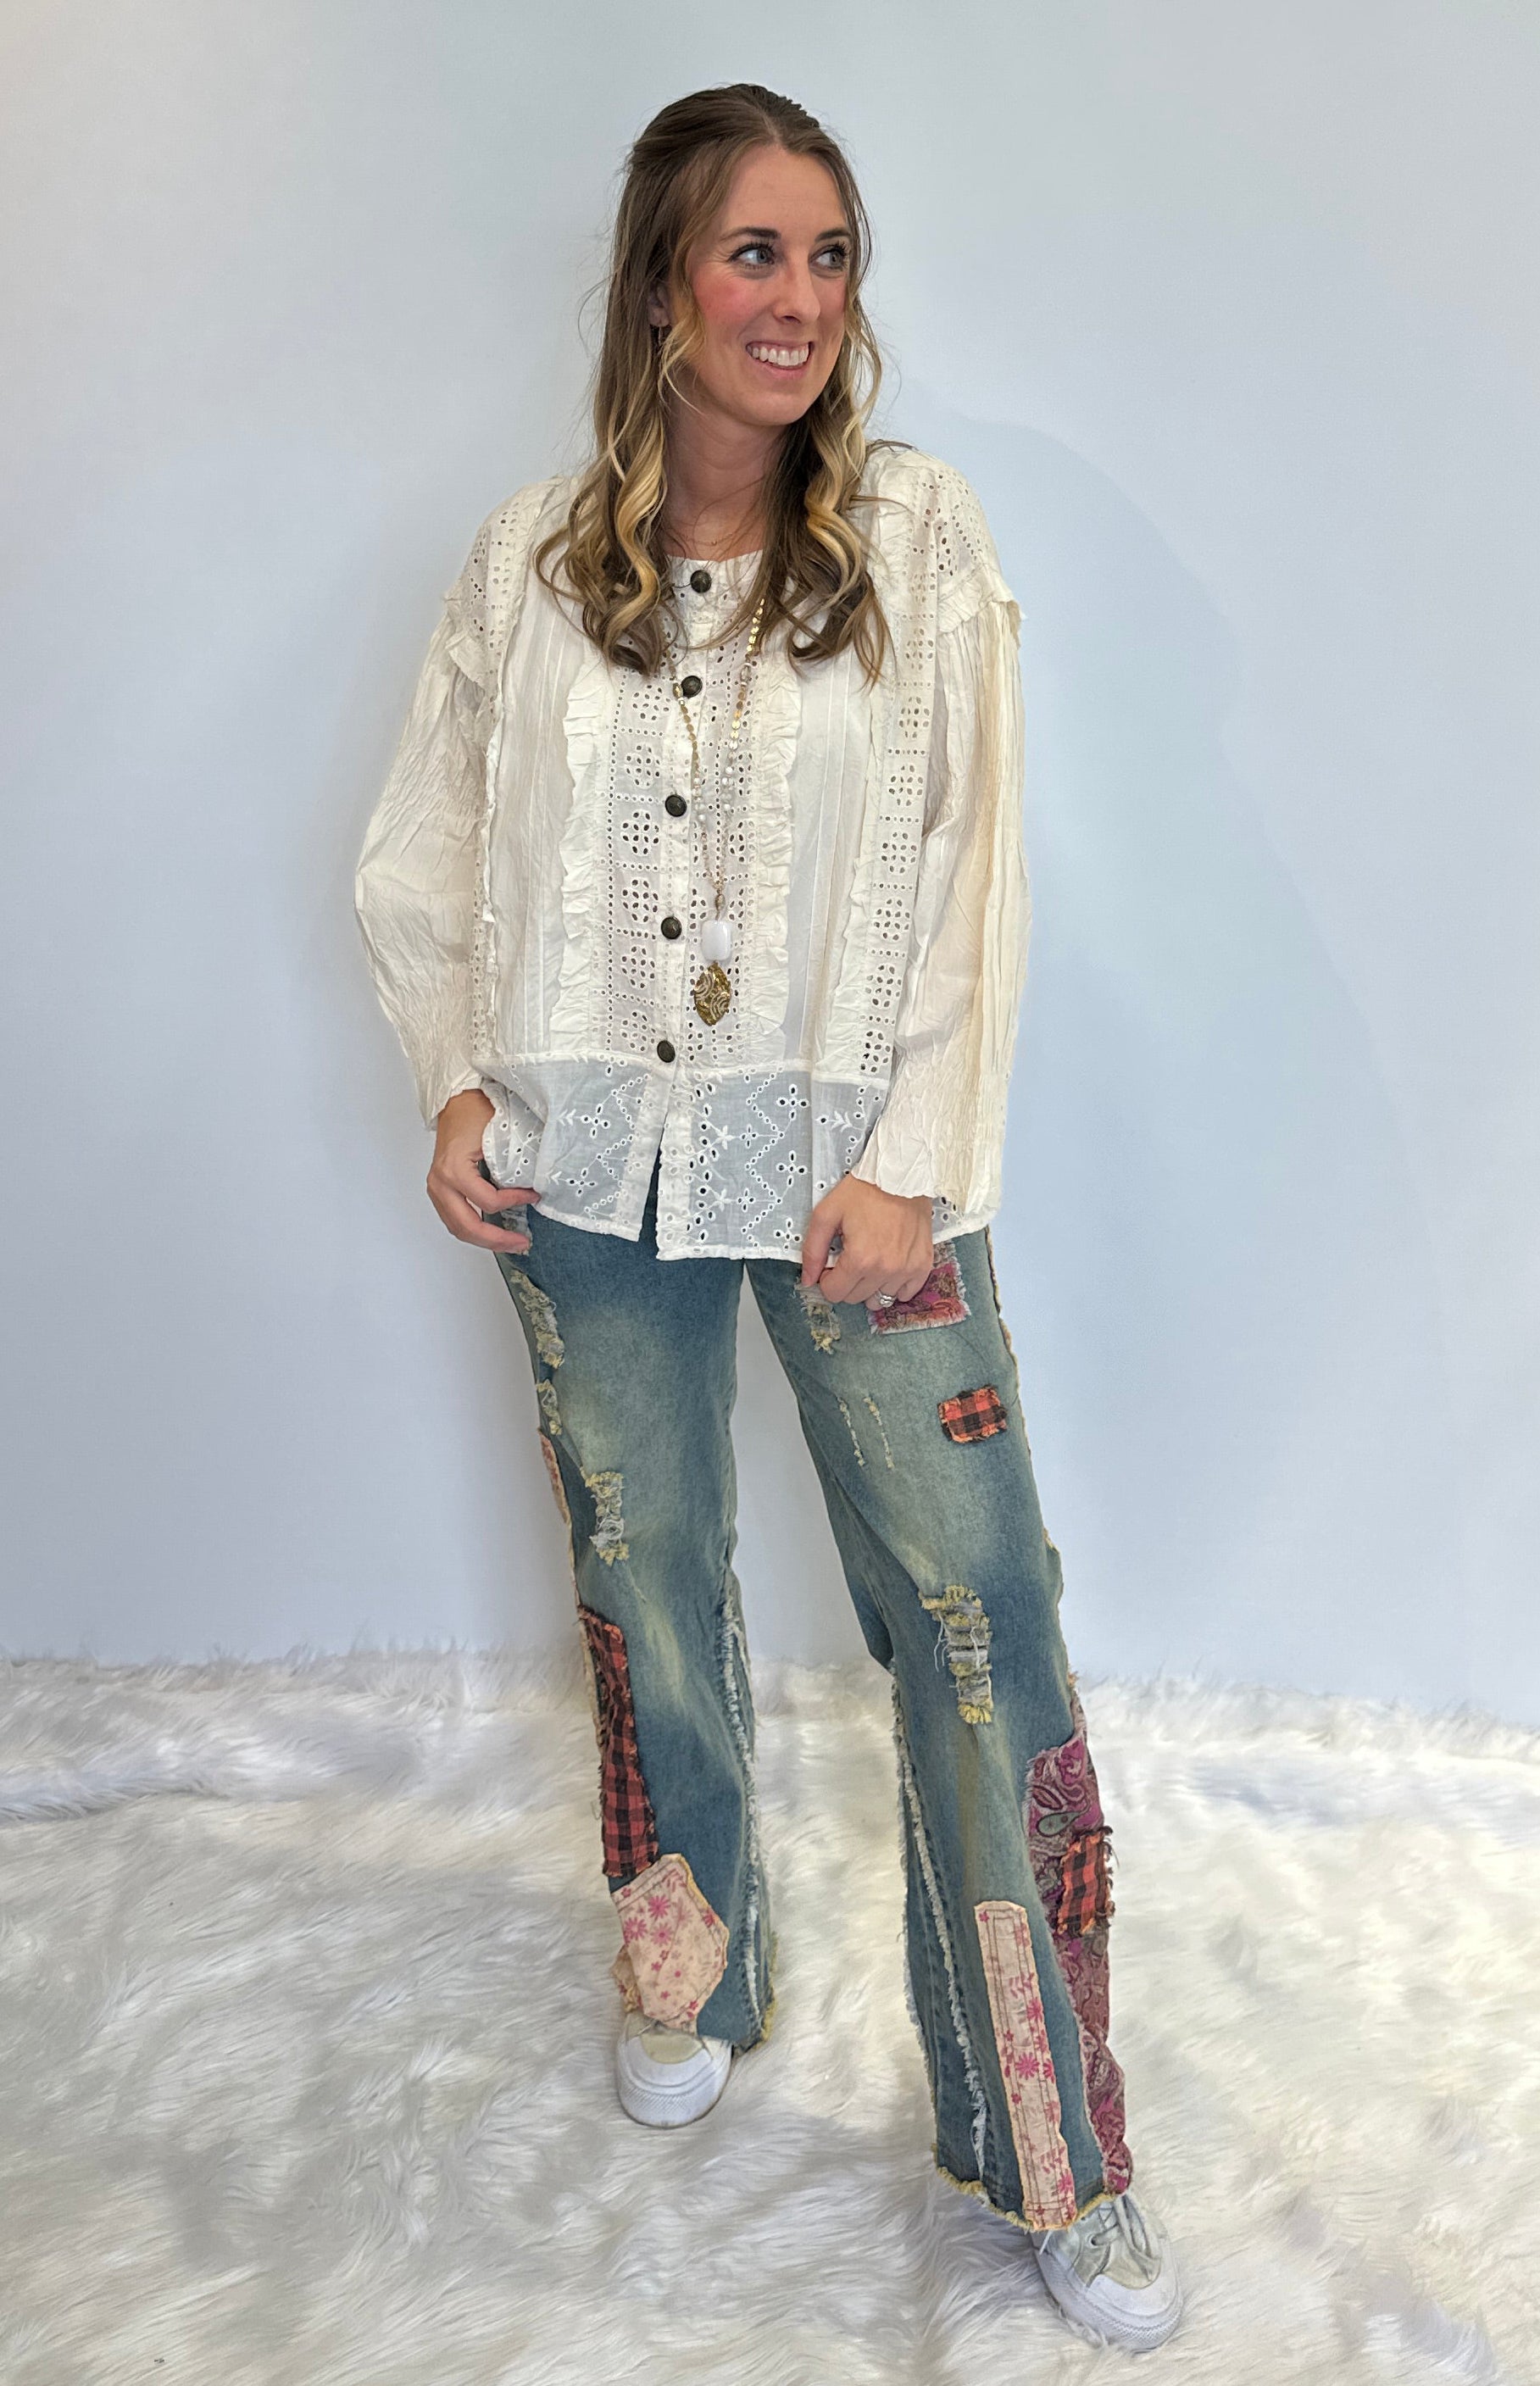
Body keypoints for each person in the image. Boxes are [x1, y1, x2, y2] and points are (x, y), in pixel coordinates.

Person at [353, 82, 1182, 2355]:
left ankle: (1052, 2137)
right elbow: (424, 849)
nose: (798, 300)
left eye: (829, 257)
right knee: (644, 1580)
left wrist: (913, 1156)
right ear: (658, 286)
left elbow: (975, 857)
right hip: (585, 1163)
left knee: (974, 1613)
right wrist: (452, 1072)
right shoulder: (530, 566)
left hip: (853, 1171)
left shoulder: (911, 538)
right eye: (753, 253)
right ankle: (691, 1965)